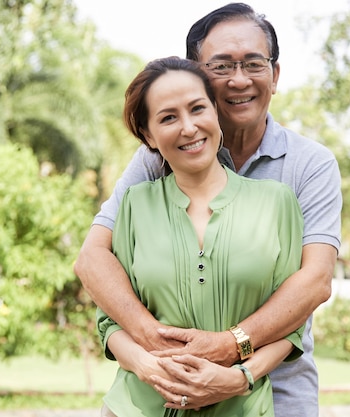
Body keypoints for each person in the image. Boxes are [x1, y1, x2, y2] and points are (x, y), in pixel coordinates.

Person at [75, 3, 342, 416]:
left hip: (275, 389)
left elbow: (315, 282)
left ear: (275, 74)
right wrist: (154, 342)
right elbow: (93, 258)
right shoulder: (155, 162)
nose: (239, 79)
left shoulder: (308, 166)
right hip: (156, 391)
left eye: (253, 63)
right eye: (221, 66)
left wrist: (230, 354)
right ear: (198, 74)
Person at [98, 55, 304, 417]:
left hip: (243, 408)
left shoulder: (277, 203)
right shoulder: (134, 204)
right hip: (136, 407)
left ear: (216, 114)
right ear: (148, 134)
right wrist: (149, 370)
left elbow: (290, 325)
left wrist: (241, 377)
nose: (189, 127)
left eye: (197, 109)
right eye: (168, 117)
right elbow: (110, 321)